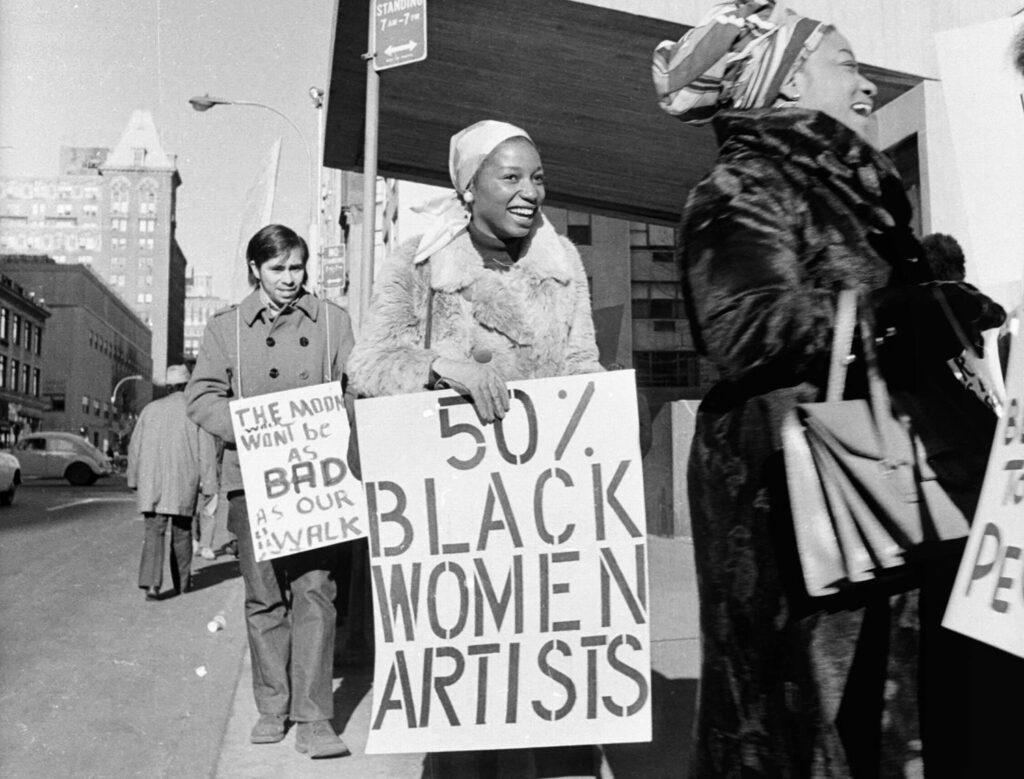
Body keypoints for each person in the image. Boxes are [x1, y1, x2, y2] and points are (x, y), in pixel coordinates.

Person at [653, 2, 1006, 776]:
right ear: (785, 85)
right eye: (847, 65)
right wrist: (896, 313)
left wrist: (934, 313)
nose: (869, 86)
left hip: (881, 488)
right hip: (799, 507)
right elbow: (740, 326)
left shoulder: (852, 196)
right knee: (816, 722)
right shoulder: (740, 185)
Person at [347, 120, 605, 777]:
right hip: (455, 527)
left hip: (540, 519)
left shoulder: (563, 264)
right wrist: (444, 368)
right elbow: (368, 365)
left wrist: (604, 425)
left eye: (537, 178)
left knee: (539, 699)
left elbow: (582, 367)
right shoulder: (419, 262)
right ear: (468, 186)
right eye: (510, 177)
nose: (529, 192)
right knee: (464, 708)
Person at [186, 224, 355, 760]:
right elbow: (201, 397)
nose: (289, 278)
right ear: (255, 269)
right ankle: (271, 706)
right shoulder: (227, 328)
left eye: (297, 267)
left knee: (315, 591)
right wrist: (255, 428)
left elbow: (357, 385)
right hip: (252, 479)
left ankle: (315, 718)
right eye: (278, 268)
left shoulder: (333, 321)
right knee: (264, 597)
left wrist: (333, 424)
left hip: (316, 479)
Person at [128, 363, 219, 601]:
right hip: (183, 484)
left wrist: (134, 479)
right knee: (182, 533)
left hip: (152, 484)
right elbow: (206, 452)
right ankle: (183, 582)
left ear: (168, 387)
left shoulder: (149, 410)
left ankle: (151, 585)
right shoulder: (195, 411)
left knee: (153, 533)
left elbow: (135, 448)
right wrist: (210, 485)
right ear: (187, 385)